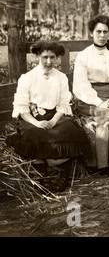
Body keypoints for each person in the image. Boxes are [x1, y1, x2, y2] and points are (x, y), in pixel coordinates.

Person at [7, 40, 91, 191]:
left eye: (52, 57)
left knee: (71, 132)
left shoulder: (61, 78)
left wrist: (54, 120)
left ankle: (59, 172)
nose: (49, 61)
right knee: (35, 135)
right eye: (45, 57)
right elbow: (22, 108)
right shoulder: (27, 78)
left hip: (55, 115)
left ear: (57, 58)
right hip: (32, 117)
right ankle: (43, 175)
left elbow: (64, 103)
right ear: (37, 56)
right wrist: (37, 123)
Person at [73, 14, 109, 171]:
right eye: (98, 31)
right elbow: (81, 85)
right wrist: (99, 102)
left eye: (105, 32)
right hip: (90, 99)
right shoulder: (84, 56)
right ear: (91, 32)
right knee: (107, 116)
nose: (102, 35)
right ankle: (104, 164)